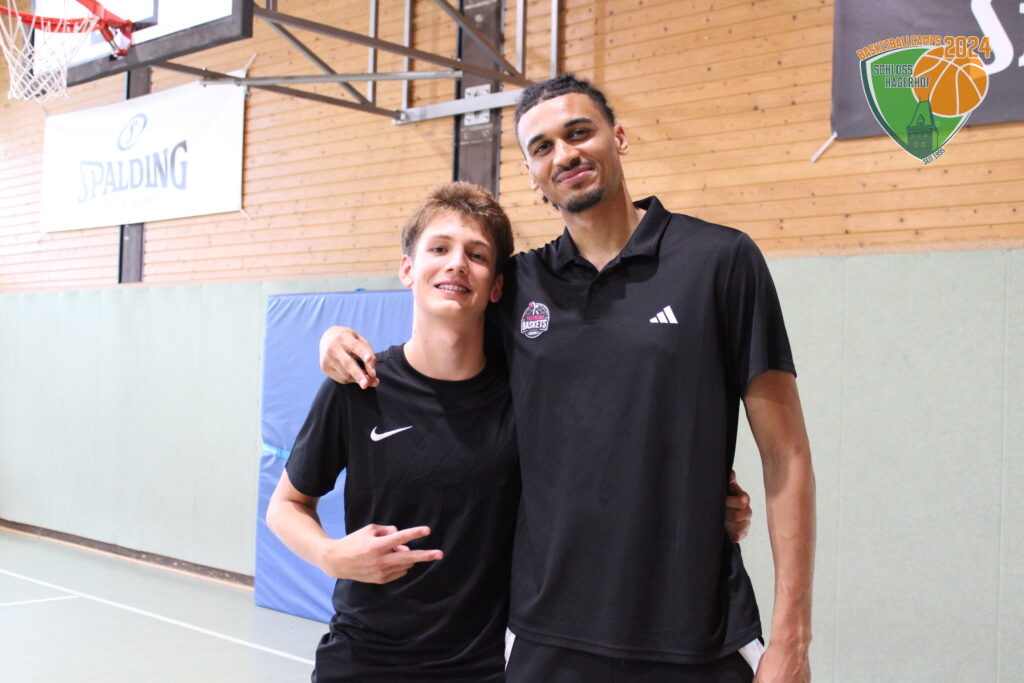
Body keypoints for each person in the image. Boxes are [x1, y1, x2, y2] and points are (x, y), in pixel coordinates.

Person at [322, 75, 807, 683]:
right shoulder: (517, 287)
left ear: (618, 137)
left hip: (694, 634)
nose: (565, 154)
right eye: (543, 146)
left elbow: (786, 455)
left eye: (579, 133)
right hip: (547, 639)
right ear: (531, 173)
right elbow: (440, 344)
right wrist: (331, 338)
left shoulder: (720, 261)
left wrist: (791, 638)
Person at [267, 182, 519, 681]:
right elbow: (286, 505)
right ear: (408, 269)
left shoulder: (522, 395)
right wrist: (330, 555)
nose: (456, 263)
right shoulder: (358, 386)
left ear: (496, 286)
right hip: (362, 661)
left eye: (476, 254)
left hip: (477, 668)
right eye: (439, 248)